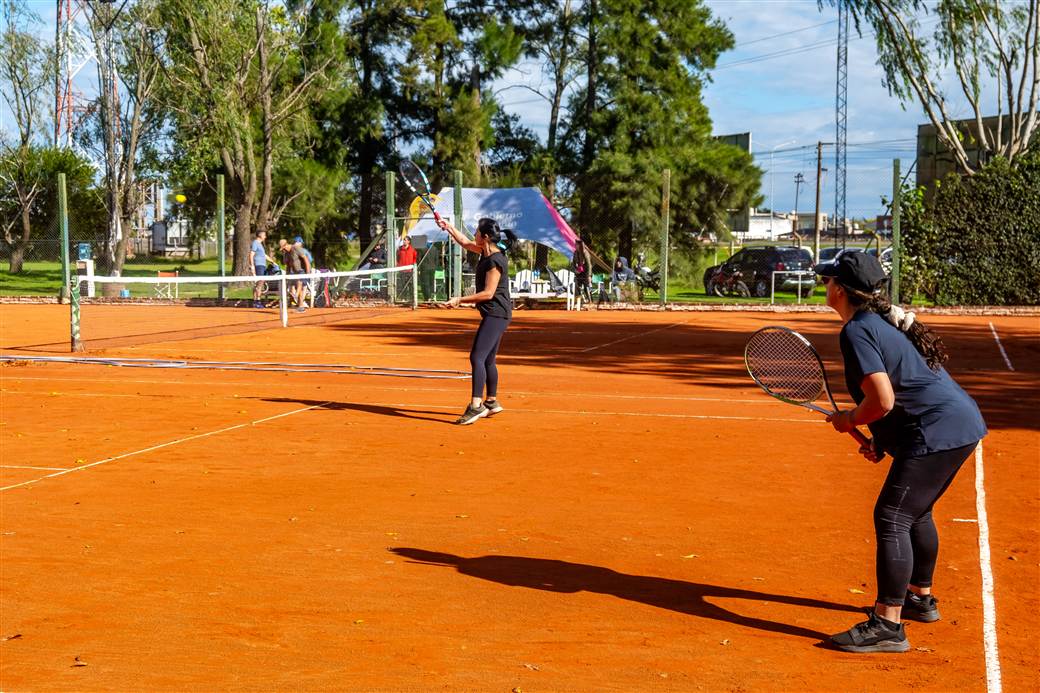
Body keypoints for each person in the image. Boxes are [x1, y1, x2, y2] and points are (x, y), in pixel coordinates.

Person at [817, 252, 987, 654]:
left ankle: (888, 624)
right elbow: (905, 389)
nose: (824, 287)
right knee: (916, 512)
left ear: (839, 290)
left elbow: (882, 397)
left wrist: (850, 419)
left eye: (828, 281)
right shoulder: (879, 322)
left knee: (892, 515)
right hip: (957, 424)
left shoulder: (857, 330)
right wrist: (882, 439)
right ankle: (917, 598)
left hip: (938, 429)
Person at [436, 216, 517, 425]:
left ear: (486, 236)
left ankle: (475, 406)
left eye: (478, 232)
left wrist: (459, 300)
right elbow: (464, 242)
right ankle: (491, 401)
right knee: (488, 359)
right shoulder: (485, 251)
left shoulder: (495, 260)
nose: (475, 235)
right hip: (497, 313)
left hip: (496, 314)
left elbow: (488, 293)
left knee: (476, 357)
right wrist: (449, 227)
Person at [250, 230, 269, 308]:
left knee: (259, 284)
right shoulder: (255, 243)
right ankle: (257, 301)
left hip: (262, 265)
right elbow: (251, 254)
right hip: (258, 265)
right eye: (264, 235)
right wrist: (252, 266)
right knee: (259, 284)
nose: (265, 237)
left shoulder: (260, 245)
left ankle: (255, 301)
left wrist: (272, 262)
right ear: (260, 235)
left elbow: (264, 255)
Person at [571, 238, 592, 305]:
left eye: (576, 245)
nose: (575, 246)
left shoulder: (585, 253)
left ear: (580, 245)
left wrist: (589, 276)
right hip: (578, 273)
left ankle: (590, 300)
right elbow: (573, 264)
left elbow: (589, 265)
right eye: (575, 244)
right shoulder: (575, 253)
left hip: (586, 273)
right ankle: (579, 300)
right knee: (576, 285)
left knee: (586, 287)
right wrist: (575, 270)